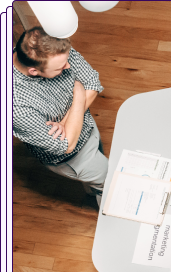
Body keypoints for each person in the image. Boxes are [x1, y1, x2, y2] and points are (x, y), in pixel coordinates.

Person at [12, 27, 107, 206]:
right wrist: (79, 94)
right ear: (34, 71)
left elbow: (93, 83)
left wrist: (64, 122)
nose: (68, 66)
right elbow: (66, 144)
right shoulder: (16, 105)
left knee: (98, 172)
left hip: (88, 126)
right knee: (110, 183)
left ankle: (91, 188)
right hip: (74, 158)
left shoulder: (52, 49)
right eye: (61, 68)